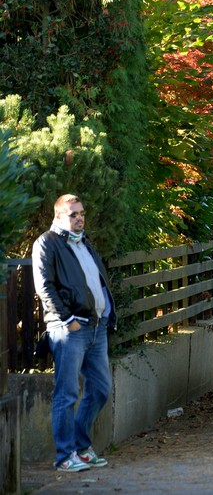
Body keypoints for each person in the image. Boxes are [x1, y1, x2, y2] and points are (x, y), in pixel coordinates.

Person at [32, 194, 115, 472]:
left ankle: (81, 446)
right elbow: (44, 286)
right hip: (70, 329)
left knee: (101, 389)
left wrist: (106, 314)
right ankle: (65, 456)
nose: (79, 218)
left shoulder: (84, 243)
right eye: (73, 214)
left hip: (96, 328)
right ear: (58, 217)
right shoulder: (47, 243)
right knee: (66, 394)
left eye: (81, 213)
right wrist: (68, 320)